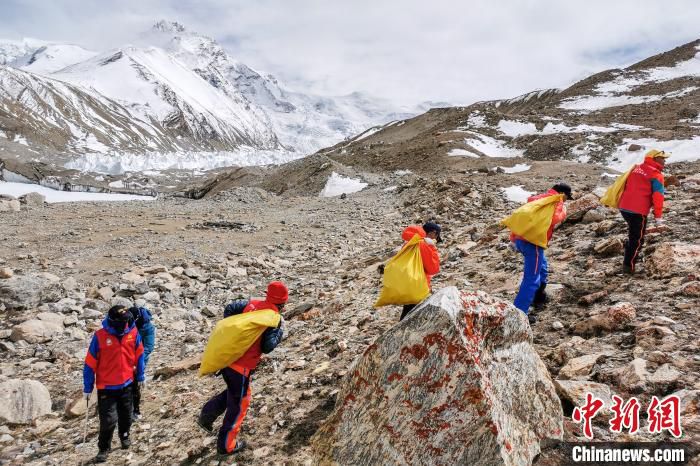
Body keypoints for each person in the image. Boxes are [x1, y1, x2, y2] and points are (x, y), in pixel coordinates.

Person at [198, 281, 287, 456]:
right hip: (241, 367)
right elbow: (268, 346)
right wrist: (279, 333)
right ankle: (226, 446)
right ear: (283, 303)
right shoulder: (273, 319)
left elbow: (230, 308)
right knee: (240, 403)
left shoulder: (252, 304)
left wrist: (234, 333)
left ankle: (207, 414)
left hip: (228, 358)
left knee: (234, 393)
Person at [83, 305, 145, 463]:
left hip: (127, 383)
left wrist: (141, 375)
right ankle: (104, 448)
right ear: (113, 321)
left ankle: (124, 436)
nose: (126, 323)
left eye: (127, 320)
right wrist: (88, 387)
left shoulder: (132, 333)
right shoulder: (100, 337)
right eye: (122, 321)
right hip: (107, 387)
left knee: (126, 415)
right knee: (108, 420)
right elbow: (90, 363)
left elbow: (139, 354)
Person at [511, 184, 571, 323]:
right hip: (533, 244)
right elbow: (555, 218)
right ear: (562, 193)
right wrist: (563, 209)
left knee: (542, 268)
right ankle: (520, 315)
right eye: (567, 197)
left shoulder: (539, 199)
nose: (566, 200)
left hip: (522, 240)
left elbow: (523, 217)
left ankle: (538, 297)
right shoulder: (555, 201)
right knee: (531, 279)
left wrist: (513, 238)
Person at [618, 149, 669, 274]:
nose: (665, 160)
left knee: (633, 234)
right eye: (662, 158)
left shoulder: (636, 168)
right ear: (654, 159)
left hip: (624, 207)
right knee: (637, 239)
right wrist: (658, 218)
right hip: (638, 210)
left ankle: (628, 251)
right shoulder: (656, 175)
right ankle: (628, 267)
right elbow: (658, 198)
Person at [399, 222, 441, 320]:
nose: (436, 239)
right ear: (432, 233)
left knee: (408, 311)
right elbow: (433, 269)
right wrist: (433, 248)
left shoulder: (409, 242)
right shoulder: (423, 244)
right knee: (414, 315)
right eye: (436, 236)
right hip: (418, 284)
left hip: (407, 282)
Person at [128, 306, 156, 420]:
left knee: (135, 385)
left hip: (139, 360)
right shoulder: (128, 323)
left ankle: (135, 410)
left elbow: (148, 347)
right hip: (125, 359)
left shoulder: (148, 327)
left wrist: (138, 362)